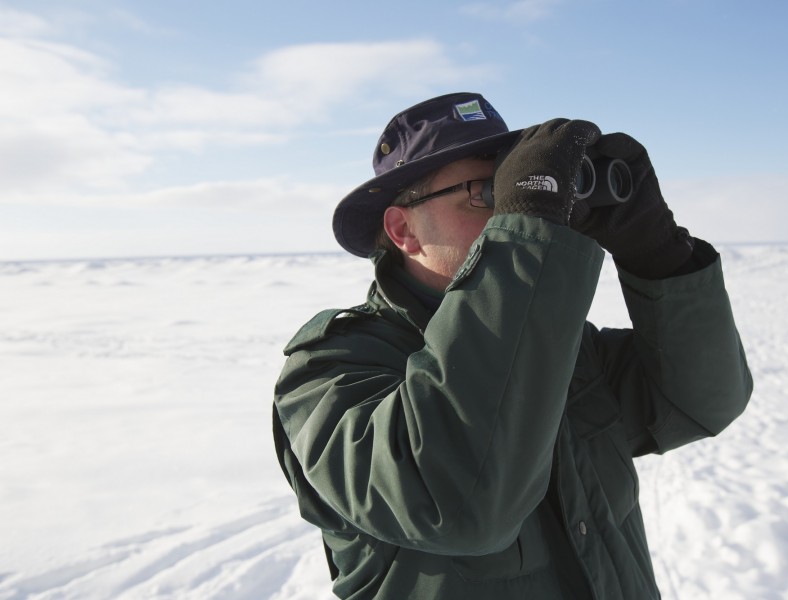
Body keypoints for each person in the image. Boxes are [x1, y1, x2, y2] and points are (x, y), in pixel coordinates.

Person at [272, 92, 752, 599]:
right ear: (403, 229)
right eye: (487, 191)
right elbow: (456, 506)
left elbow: (699, 403)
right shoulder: (330, 371)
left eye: (514, 186)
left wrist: (657, 252)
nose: (513, 212)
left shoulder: (563, 348)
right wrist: (526, 232)